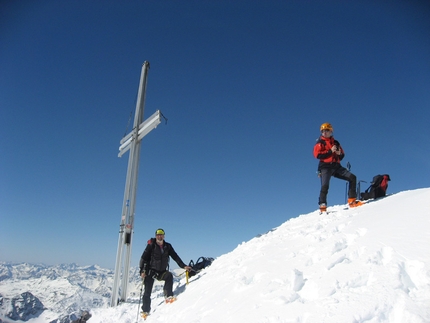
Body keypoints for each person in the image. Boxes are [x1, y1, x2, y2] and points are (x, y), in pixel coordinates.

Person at [139, 228, 191, 316]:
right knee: (147, 292)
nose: (160, 236)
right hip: (150, 272)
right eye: (158, 235)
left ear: (164, 236)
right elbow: (143, 258)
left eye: (161, 234)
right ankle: (145, 311)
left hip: (162, 272)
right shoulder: (151, 245)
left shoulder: (168, 246)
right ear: (156, 236)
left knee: (169, 276)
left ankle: (168, 296)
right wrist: (142, 271)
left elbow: (175, 256)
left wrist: (183, 266)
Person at [313, 122, 363, 213]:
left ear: (331, 131)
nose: (325, 132)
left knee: (352, 177)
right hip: (325, 167)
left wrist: (339, 154)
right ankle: (322, 205)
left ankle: (352, 200)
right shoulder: (320, 143)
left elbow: (342, 155)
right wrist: (330, 151)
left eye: (327, 130)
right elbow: (318, 155)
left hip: (336, 166)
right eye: (323, 131)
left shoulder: (336, 143)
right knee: (325, 185)